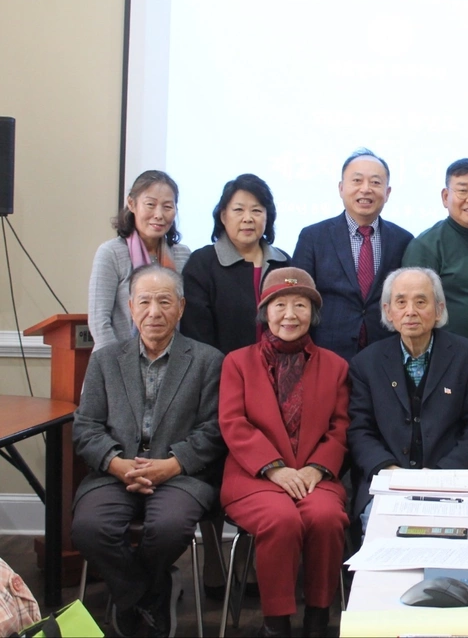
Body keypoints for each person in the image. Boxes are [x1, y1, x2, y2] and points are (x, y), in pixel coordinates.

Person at [71, 265, 224, 638]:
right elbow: (86, 426)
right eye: (145, 301)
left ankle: (130, 597)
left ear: (181, 307)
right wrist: (117, 464)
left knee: (170, 527)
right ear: (130, 305)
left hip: (180, 474)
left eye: (164, 301)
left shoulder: (207, 360)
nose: (154, 312)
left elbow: (215, 430)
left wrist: (172, 465)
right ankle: (146, 594)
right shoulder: (106, 359)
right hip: (115, 471)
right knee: (90, 528)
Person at [218, 268, 350, 638]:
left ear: (313, 313)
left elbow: (340, 428)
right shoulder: (236, 362)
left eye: (300, 305)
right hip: (253, 477)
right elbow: (233, 423)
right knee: (281, 519)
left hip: (314, 478)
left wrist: (316, 469)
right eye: (280, 304)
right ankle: (275, 625)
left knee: (325, 517)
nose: (290, 314)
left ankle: (318, 618)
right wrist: (274, 469)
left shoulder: (336, 366)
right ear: (265, 311)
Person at [347, 267, 468, 524]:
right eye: (401, 302)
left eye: (421, 302)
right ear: (388, 311)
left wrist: (439, 474)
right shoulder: (365, 364)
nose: (410, 311)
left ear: (439, 309)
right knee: (382, 529)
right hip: (388, 482)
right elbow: (360, 432)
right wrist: (390, 470)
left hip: (450, 480)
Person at [293, 148, 413, 362]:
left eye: (375, 182)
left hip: (385, 357)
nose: (365, 189)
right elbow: (299, 298)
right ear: (341, 188)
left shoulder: (403, 240)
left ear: (387, 192)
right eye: (357, 181)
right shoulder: (313, 237)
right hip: (325, 356)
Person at [401, 158, 468, 381]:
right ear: (446, 197)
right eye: (463, 191)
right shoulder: (426, 245)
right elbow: (411, 311)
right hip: (443, 360)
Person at [181, 174, 290, 354]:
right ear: (223, 216)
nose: (248, 218)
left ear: (267, 217)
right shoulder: (202, 263)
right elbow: (196, 334)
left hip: (278, 374)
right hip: (221, 375)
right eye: (239, 210)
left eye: (256, 210)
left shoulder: (283, 263)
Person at [88, 170, 191, 351]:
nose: (159, 214)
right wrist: (118, 367)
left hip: (171, 363)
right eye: (150, 204)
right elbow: (99, 322)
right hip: (117, 363)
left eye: (167, 206)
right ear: (132, 204)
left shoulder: (183, 255)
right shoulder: (111, 253)